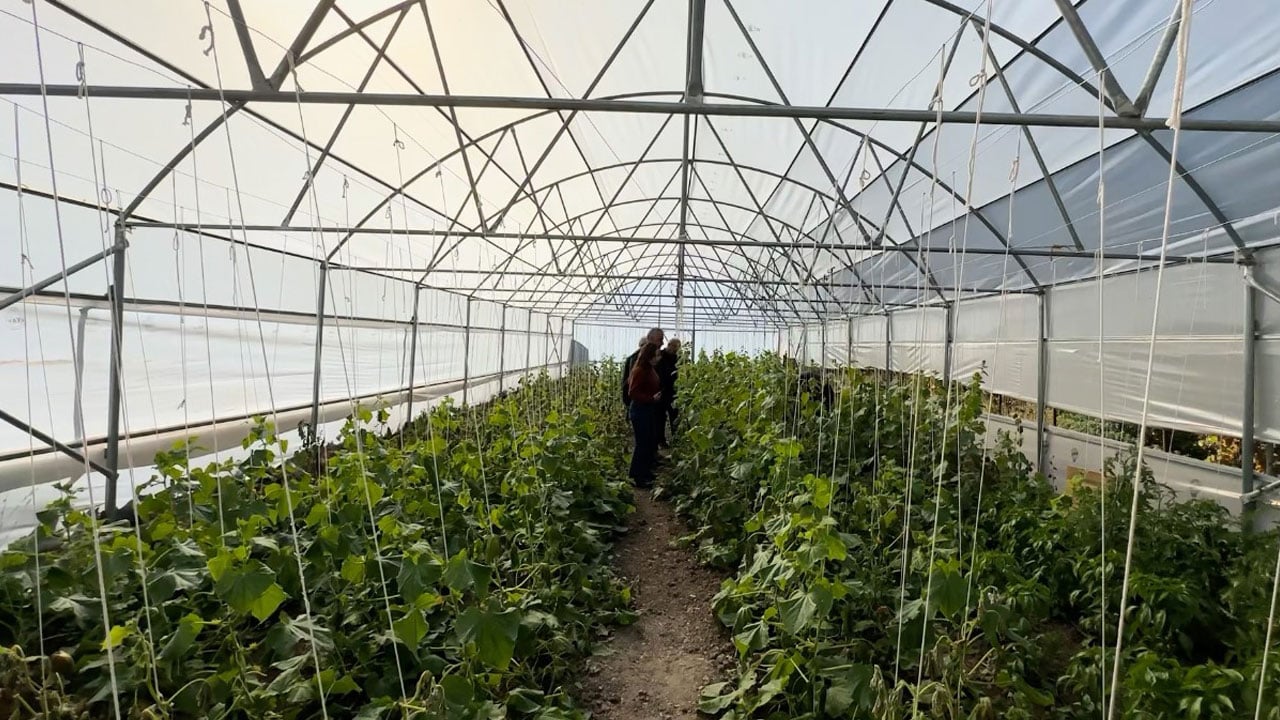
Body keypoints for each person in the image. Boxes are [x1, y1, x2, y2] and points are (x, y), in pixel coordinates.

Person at [626, 342, 663, 488]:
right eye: (656, 355)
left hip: (647, 408)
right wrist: (651, 398)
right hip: (640, 410)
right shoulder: (640, 370)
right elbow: (633, 392)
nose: (658, 358)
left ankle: (645, 472)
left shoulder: (648, 368)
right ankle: (637, 476)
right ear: (650, 356)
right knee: (642, 443)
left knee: (649, 441)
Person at [621, 327, 664, 406]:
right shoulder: (636, 361)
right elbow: (631, 388)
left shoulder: (662, 357)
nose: (662, 343)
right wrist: (651, 398)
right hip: (642, 406)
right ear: (650, 338)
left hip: (651, 406)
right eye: (660, 340)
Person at [655, 338, 681, 447]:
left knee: (674, 416)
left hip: (673, 391)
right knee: (660, 417)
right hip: (660, 390)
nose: (675, 350)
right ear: (669, 345)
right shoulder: (660, 355)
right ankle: (661, 441)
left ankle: (676, 439)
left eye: (677, 348)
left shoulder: (678, 358)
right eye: (674, 347)